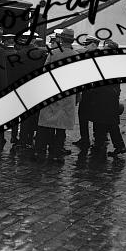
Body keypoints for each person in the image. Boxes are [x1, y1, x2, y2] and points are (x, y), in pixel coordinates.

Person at [35, 28, 78, 162]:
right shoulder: (76, 55)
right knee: (61, 127)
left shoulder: (53, 53)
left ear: (61, 40)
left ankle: (40, 151)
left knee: (46, 124)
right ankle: (56, 153)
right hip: (67, 95)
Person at [8, 32, 47, 148]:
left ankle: (16, 137)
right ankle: (28, 137)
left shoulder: (17, 54)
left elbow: (12, 73)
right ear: (34, 40)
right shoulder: (41, 54)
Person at [73, 35, 100, 149]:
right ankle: (87, 138)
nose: (85, 47)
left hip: (93, 91)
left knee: (90, 116)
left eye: (87, 45)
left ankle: (89, 139)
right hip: (88, 91)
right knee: (84, 115)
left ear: (93, 45)